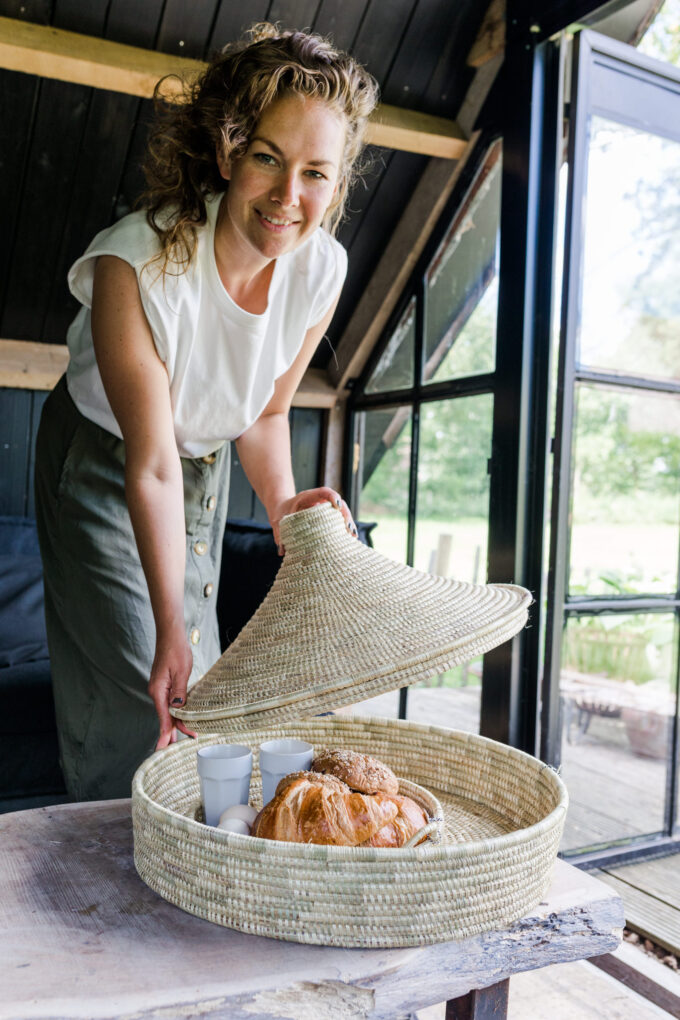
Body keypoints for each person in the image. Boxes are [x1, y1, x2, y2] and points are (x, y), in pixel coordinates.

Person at [34, 23, 378, 802]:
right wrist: (164, 629)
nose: (290, 197)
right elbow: (150, 463)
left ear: (338, 181)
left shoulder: (321, 268)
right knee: (139, 697)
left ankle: (201, 872)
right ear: (227, 152)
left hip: (205, 462)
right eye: (268, 159)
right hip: (102, 456)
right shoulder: (139, 267)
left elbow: (263, 416)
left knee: (203, 694)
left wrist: (286, 506)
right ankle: (108, 885)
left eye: (317, 173)